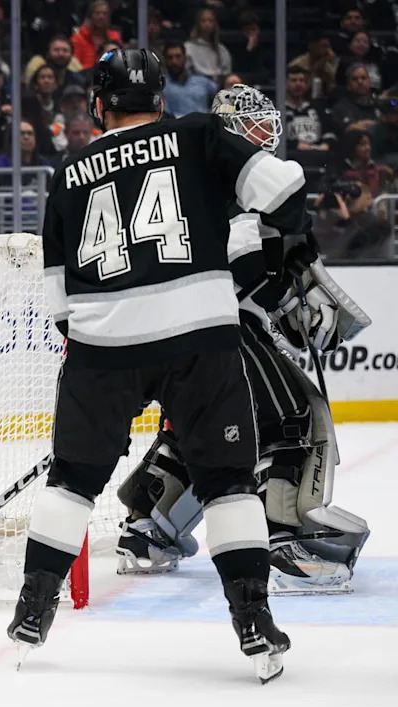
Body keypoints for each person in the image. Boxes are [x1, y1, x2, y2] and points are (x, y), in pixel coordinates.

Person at [1, 49, 308, 682]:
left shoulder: (68, 172)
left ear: (98, 105)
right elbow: (282, 190)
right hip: (200, 339)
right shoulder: (198, 134)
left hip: (101, 348)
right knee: (227, 483)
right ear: (160, 101)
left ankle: (33, 610)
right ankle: (253, 621)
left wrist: (103, 347)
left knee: (72, 481)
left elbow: (57, 298)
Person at [114, 84, 371, 597]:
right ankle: (285, 540)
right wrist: (290, 301)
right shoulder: (232, 179)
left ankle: (148, 528)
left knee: (203, 430)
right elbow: (243, 258)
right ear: (228, 128)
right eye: (254, 125)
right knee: (291, 417)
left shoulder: (185, 174)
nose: (265, 135)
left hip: (169, 333)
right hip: (221, 329)